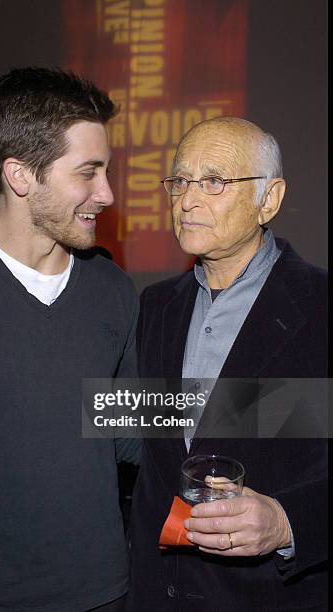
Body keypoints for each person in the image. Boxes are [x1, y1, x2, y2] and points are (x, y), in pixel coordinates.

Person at [0, 67, 140, 612]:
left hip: (103, 594)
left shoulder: (112, 288)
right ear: (20, 176)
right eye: (88, 172)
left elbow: (130, 429)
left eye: (106, 171)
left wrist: (291, 409)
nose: (107, 193)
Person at [127, 117, 327, 611]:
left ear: (270, 199)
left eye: (214, 181)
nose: (187, 201)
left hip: (272, 597)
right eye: (179, 181)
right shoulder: (154, 306)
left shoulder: (322, 306)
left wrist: (287, 521)